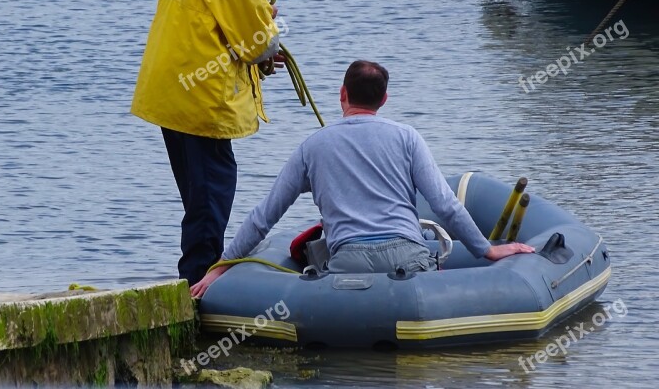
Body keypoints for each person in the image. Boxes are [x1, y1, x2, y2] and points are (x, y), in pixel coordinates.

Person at [190, 60, 534, 297]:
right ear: (384, 99)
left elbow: (265, 215)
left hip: (347, 261)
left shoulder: (313, 146)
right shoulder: (407, 137)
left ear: (342, 93)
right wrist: (486, 251)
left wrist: (220, 268)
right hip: (408, 256)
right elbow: (446, 205)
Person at [131, 0, 303, 286]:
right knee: (212, 194)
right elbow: (259, 46)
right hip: (201, 103)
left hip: (168, 94)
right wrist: (268, 22)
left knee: (197, 194)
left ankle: (192, 277)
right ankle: (199, 282)